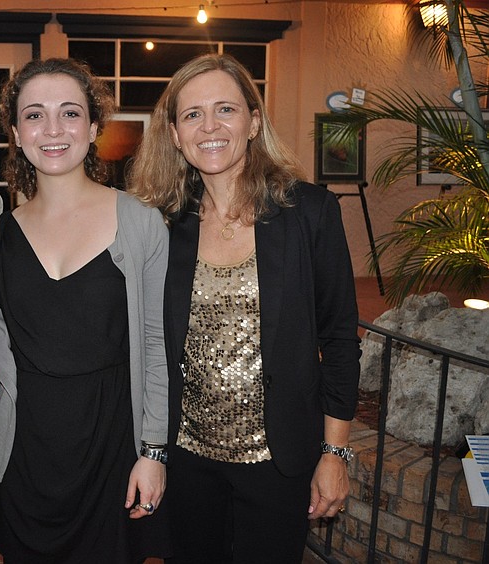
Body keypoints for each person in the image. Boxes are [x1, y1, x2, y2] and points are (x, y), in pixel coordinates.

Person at [127, 53, 361, 563]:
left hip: (279, 462)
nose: (209, 127)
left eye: (225, 110)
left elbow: (340, 340)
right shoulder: (163, 225)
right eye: (192, 115)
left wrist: (334, 453)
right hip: (188, 463)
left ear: (253, 122)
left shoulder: (310, 214)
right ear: (173, 132)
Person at [0, 58, 170, 563]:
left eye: (69, 113)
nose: (53, 130)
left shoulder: (141, 224)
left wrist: (153, 452)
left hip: (112, 453)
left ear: (92, 127)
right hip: (25, 456)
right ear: (17, 134)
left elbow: (156, 345)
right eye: (35, 115)